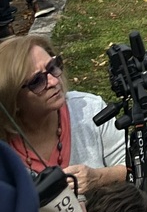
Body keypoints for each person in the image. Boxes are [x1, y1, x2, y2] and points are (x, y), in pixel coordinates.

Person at [0, 35, 126, 190]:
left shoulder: (91, 109)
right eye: (37, 81)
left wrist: (98, 177)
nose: (54, 81)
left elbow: (134, 169)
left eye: (53, 66)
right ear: (13, 99)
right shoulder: (4, 149)